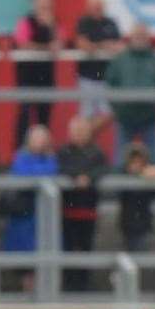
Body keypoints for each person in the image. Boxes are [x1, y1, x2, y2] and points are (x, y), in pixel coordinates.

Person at [106, 23, 155, 163]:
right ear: (131, 37)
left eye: (143, 35)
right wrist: (119, 108)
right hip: (124, 118)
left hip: (150, 119)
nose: (140, 38)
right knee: (120, 163)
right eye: (137, 35)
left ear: (149, 38)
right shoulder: (120, 60)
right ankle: (119, 185)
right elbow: (110, 84)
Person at [1, 124, 55, 290]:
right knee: (23, 251)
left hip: (43, 214)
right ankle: (26, 285)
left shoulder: (51, 158)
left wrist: (36, 175)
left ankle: (40, 287)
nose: (38, 143)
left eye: (41, 139)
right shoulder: (21, 157)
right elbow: (22, 175)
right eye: (35, 139)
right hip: (23, 212)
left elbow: (51, 172)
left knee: (43, 248)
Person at [56, 115, 105, 293]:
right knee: (68, 247)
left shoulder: (96, 152)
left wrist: (88, 178)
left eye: (82, 131)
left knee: (86, 247)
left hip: (88, 209)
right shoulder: (64, 152)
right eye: (76, 131)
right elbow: (63, 169)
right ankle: (69, 283)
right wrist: (78, 176)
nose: (79, 134)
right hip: (68, 210)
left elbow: (102, 169)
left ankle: (84, 283)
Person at [10, 0, 57, 151]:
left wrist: (50, 28)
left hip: (46, 77)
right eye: (42, 6)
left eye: (47, 7)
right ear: (35, 7)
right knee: (24, 116)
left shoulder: (53, 24)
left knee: (44, 118)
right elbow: (23, 44)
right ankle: (19, 153)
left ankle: (44, 155)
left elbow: (58, 45)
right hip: (26, 77)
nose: (45, 9)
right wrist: (45, 48)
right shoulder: (25, 22)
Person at [71, 0, 122, 131]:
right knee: (86, 114)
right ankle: (84, 138)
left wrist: (99, 46)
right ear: (88, 8)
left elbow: (119, 47)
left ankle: (85, 135)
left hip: (107, 77)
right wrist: (104, 45)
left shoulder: (111, 23)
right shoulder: (84, 22)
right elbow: (83, 45)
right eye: (94, 7)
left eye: (99, 6)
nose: (97, 9)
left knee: (110, 113)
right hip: (87, 77)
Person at [117, 143, 155, 250]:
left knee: (140, 251)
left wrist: (151, 176)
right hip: (127, 224)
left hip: (143, 224)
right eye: (133, 162)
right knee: (131, 255)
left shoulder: (148, 180)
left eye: (139, 162)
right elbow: (117, 192)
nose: (136, 165)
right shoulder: (122, 177)